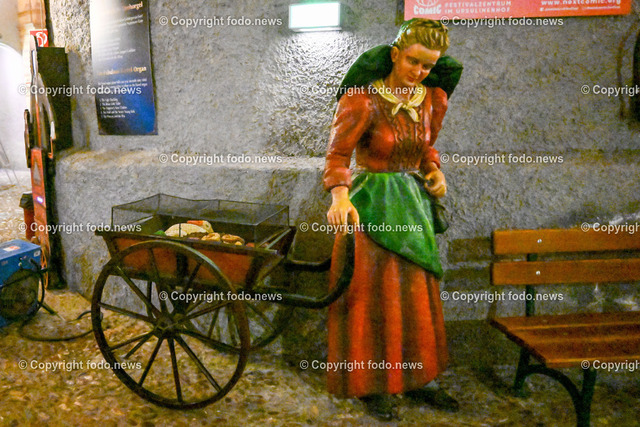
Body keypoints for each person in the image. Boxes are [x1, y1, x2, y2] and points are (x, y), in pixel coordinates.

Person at [323, 19, 459, 421]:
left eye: (428, 66)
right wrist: (339, 196)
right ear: (395, 54)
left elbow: (426, 149)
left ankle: (419, 377)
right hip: (370, 207)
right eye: (413, 61)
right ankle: (371, 382)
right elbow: (337, 155)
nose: (419, 71)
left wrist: (434, 171)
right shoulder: (362, 100)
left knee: (415, 293)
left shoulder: (431, 100)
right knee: (372, 296)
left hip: (412, 208)